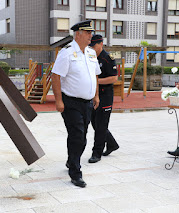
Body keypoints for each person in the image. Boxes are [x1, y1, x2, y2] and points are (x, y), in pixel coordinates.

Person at [51, 20, 101, 188]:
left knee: (80, 137)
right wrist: (58, 100)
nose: (90, 35)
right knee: (78, 136)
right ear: (78, 34)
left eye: (91, 33)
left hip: (87, 102)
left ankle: (71, 160)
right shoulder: (66, 53)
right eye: (88, 33)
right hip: (71, 102)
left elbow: (95, 76)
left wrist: (96, 96)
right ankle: (75, 172)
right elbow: (56, 76)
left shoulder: (91, 53)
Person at [88, 35, 120, 163]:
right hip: (93, 95)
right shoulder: (91, 57)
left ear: (101, 44)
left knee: (101, 125)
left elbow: (114, 78)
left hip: (105, 96)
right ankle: (112, 144)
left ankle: (97, 153)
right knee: (95, 123)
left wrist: (96, 81)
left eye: (94, 46)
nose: (92, 48)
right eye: (90, 46)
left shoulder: (107, 59)